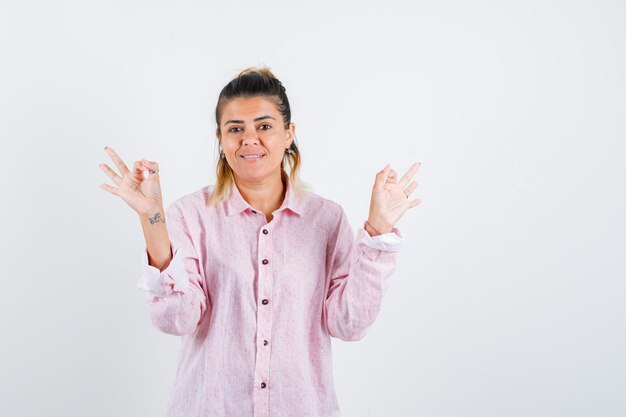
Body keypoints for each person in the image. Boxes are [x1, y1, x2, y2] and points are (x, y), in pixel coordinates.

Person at [98, 66, 420, 417]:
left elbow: (349, 323)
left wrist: (378, 229)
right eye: (235, 129)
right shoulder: (191, 215)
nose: (249, 139)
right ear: (220, 139)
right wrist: (151, 218)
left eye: (264, 126)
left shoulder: (326, 220)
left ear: (288, 134)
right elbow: (177, 319)